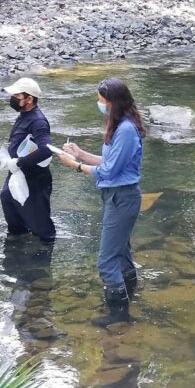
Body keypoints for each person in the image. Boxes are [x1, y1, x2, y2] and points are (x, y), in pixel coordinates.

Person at [56, 78, 145, 325]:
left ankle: (117, 316)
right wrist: (80, 154)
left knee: (106, 263)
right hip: (117, 197)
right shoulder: (121, 126)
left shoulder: (126, 130)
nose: (99, 104)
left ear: (113, 103)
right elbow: (109, 163)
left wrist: (75, 166)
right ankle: (129, 299)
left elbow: (108, 173)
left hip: (122, 197)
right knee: (123, 255)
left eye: (101, 100)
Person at [0, 78, 56, 244]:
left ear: (29, 99)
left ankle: (43, 263)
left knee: (41, 227)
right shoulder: (24, 116)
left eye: (17, 95)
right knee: (8, 201)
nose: (13, 99)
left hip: (34, 180)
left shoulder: (38, 121)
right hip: (17, 175)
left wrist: (18, 163)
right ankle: (17, 249)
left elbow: (46, 150)